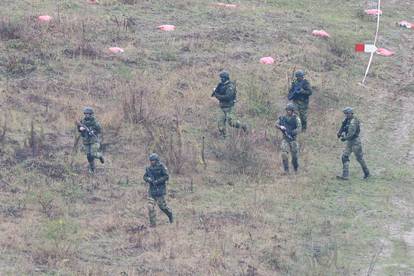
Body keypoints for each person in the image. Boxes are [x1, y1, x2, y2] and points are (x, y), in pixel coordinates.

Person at [336, 107, 370, 180]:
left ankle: (367, 173)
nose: (346, 115)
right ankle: (345, 176)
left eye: (347, 113)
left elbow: (351, 133)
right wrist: (339, 132)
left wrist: (344, 138)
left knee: (359, 158)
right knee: (344, 157)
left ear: (351, 113)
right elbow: (343, 126)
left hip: (355, 142)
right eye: (345, 114)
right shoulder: (347, 120)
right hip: (350, 142)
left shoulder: (353, 121)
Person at [212, 71, 248, 138]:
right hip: (222, 106)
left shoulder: (230, 86)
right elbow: (217, 92)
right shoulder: (221, 85)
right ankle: (224, 136)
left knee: (231, 122)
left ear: (225, 78)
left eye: (222, 78)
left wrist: (216, 95)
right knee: (220, 122)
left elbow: (227, 97)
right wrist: (215, 91)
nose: (221, 79)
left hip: (229, 107)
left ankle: (243, 126)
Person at [143, 153, 173, 227]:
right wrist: (148, 179)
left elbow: (166, 176)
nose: (152, 162)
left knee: (162, 207)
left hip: (160, 190)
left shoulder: (162, 166)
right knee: (150, 207)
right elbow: (144, 177)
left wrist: (158, 181)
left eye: (153, 160)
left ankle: (170, 215)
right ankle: (153, 224)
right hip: (152, 191)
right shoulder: (149, 168)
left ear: (156, 160)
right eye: (151, 161)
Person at [275, 103, 302, 173]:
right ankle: (286, 170)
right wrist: (281, 127)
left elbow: (299, 128)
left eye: (290, 110)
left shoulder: (296, 118)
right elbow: (276, 124)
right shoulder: (282, 118)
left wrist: (292, 132)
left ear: (293, 111)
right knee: (284, 154)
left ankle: (296, 168)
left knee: (294, 156)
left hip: (293, 139)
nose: (288, 111)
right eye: (287, 110)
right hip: (285, 139)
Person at [76, 107, 104, 174]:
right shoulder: (82, 121)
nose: (86, 115)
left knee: (93, 154)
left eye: (88, 114)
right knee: (89, 156)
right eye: (85, 114)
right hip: (86, 141)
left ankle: (100, 156)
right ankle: (92, 169)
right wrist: (81, 129)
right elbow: (79, 129)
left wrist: (93, 131)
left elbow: (99, 130)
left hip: (94, 141)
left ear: (91, 114)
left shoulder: (94, 122)